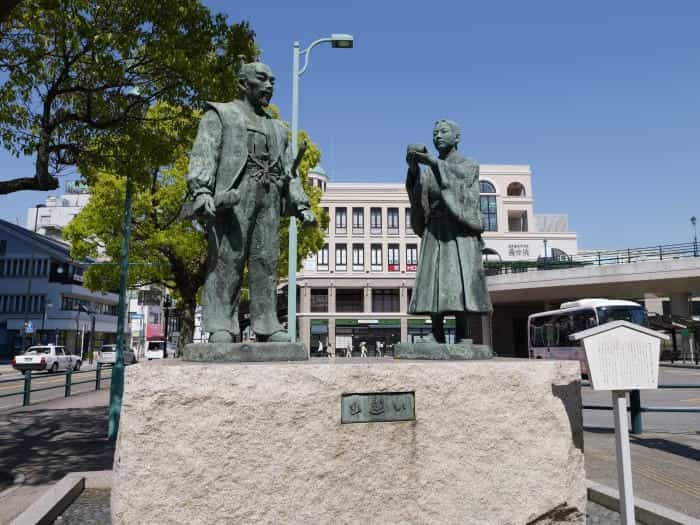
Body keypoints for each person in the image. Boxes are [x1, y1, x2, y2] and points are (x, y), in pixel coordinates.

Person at [187, 62, 316, 344]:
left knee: (266, 261)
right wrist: (202, 190)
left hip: (268, 197)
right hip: (233, 197)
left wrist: (302, 205)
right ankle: (221, 323)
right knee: (227, 260)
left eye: (273, 81)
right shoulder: (221, 114)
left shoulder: (278, 128)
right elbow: (204, 152)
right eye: (262, 79)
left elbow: (288, 171)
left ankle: (267, 323)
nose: (269, 86)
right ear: (244, 83)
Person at [405, 120, 492, 343]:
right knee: (434, 280)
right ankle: (436, 331)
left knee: (458, 279)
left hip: (458, 230)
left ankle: (464, 333)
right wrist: (414, 169)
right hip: (435, 229)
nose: (438, 136)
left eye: (444, 132)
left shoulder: (468, 164)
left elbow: (461, 186)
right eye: (434, 133)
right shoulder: (428, 172)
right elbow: (418, 199)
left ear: (457, 137)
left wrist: (433, 163)